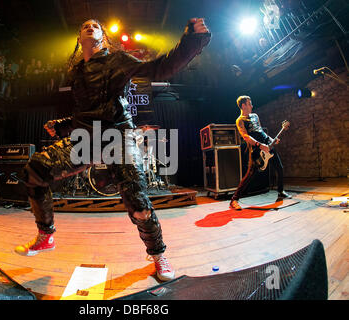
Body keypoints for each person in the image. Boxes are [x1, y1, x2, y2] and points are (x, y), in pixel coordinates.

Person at [14, 18, 211, 282]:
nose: (89, 26)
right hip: (86, 139)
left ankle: (158, 255)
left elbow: (161, 68)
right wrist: (62, 126)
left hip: (118, 136)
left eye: (95, 25)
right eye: (84, 25)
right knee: (34, 171)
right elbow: (84, 113)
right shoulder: (78, 73)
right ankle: (45, 235)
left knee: (139, 207)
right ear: (78, 37)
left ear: (103, 37)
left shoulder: (117, 60)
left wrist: (191, 41)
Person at [229, 96, 292, 210]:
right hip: (256, 150)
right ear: (243, 106)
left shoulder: (255, 116)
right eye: (249, 103)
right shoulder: (240, 120)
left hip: (268, 146)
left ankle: (281, 191)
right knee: (250, 175)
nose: (252, 106)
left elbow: (261, 131)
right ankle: (234, 199)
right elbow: (246, 136)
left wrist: (271, 139)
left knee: (279, 167)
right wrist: (260, 145)